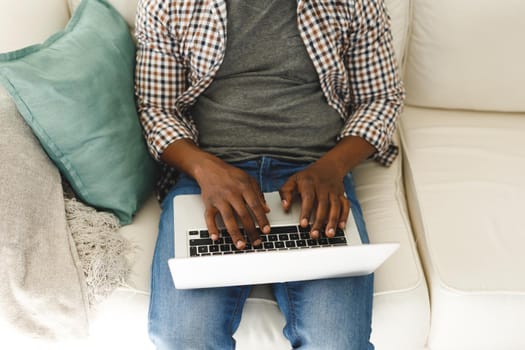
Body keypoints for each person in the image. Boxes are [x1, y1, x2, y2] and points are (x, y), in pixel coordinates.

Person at [135, 0, 404, 348]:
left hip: (315, 176)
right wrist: (205, 169)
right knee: (184, 337)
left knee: (336, 342)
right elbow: (157, 109)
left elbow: (380, 98)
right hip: (212, 175)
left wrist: (333, 168)